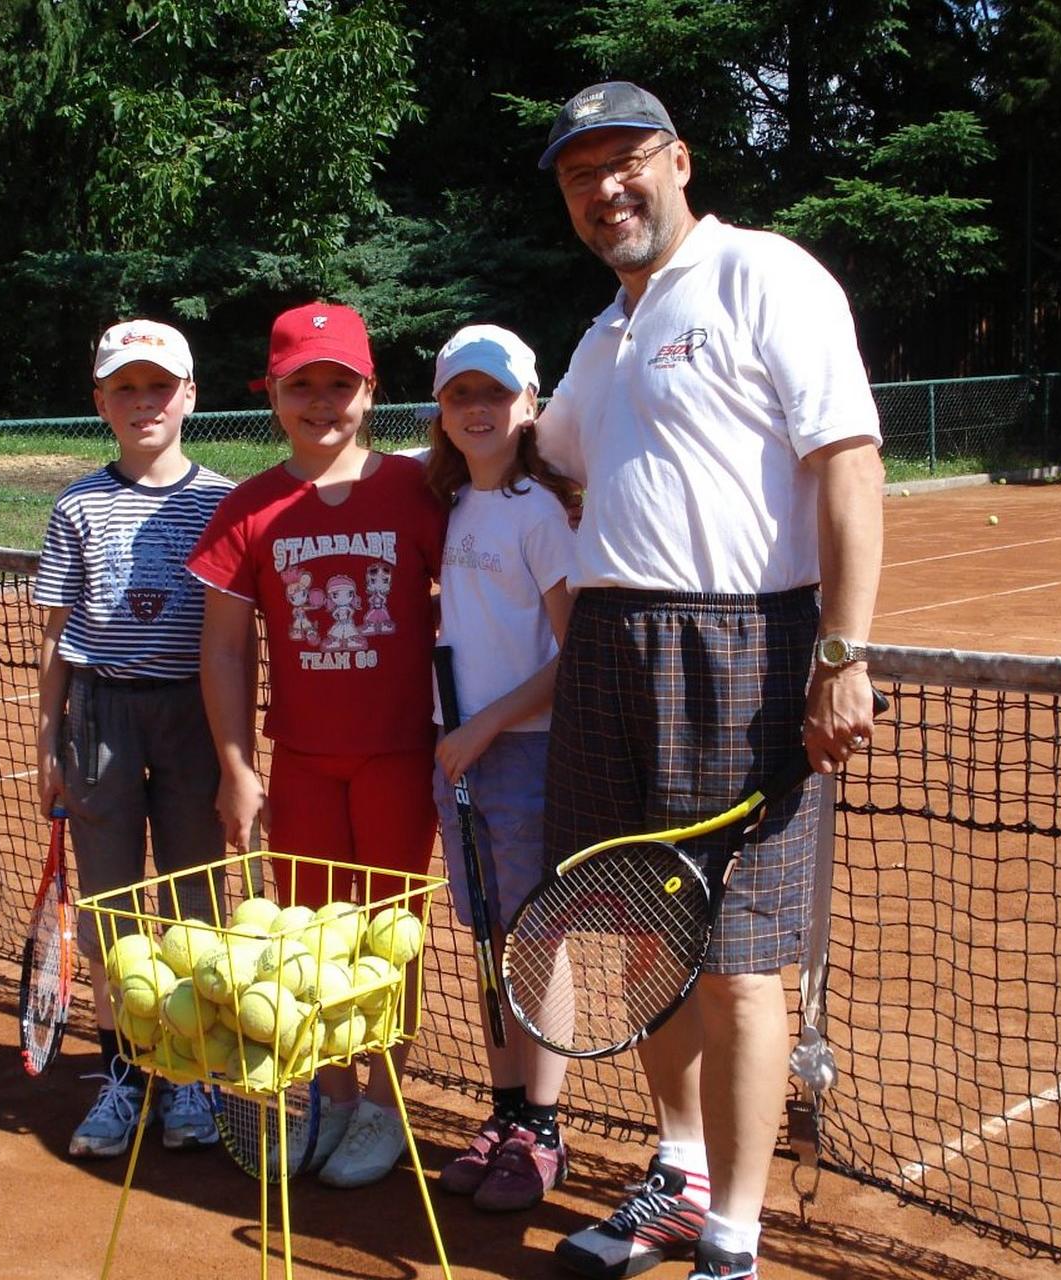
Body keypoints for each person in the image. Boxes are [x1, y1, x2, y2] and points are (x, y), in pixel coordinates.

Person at [531, 83, 886, 1280]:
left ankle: (733, 1234)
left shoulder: (768, 275)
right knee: (643, 933)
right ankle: (678, 1173)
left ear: (679, 159)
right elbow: (557, 449)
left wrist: (843, 649)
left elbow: (849, 464)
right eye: (582, 178)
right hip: (609, 649)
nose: (605, 190)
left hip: (743, 649)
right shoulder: (603, 327)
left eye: (626, 163)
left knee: (738, 959)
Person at [187, 301, 447, 1188]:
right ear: (273, 394)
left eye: (341, 384)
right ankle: (330, 1092)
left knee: (390, 936)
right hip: (300, 763)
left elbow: (471, 608)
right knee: (305, 943)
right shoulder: (251, 505)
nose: (322, 402)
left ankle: (387, 1102)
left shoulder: (417, 493)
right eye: (303, 386)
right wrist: (235, 764)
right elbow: (223, 646)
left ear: (370, 392)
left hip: (402, 760)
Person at [32, 319, 236, 1160]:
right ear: (101, 403)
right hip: (100, 717)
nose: (143, 402)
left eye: (160, 386)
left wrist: (237, 755)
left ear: (189, 395)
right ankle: (124, 1074)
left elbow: (237, 641)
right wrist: (46, 740)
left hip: (192, 714)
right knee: (111, 911)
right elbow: (55, 635)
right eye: (126, 388)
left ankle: (189, 1076)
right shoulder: (76, 505)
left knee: (196, 907)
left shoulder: (225, 501)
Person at [422, 324, 579, 1212]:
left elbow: (572, 656)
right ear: (441, 411)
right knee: (488, 942)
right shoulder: (449, 499)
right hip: (460, 753)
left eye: (496, 395)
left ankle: (545, 1129)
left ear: (529, 406)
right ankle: (506, 1111)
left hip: (519, 752)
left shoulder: (538, 512)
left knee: (536, 943)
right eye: (459, 396)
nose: (478, 410)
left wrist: (481, 728)